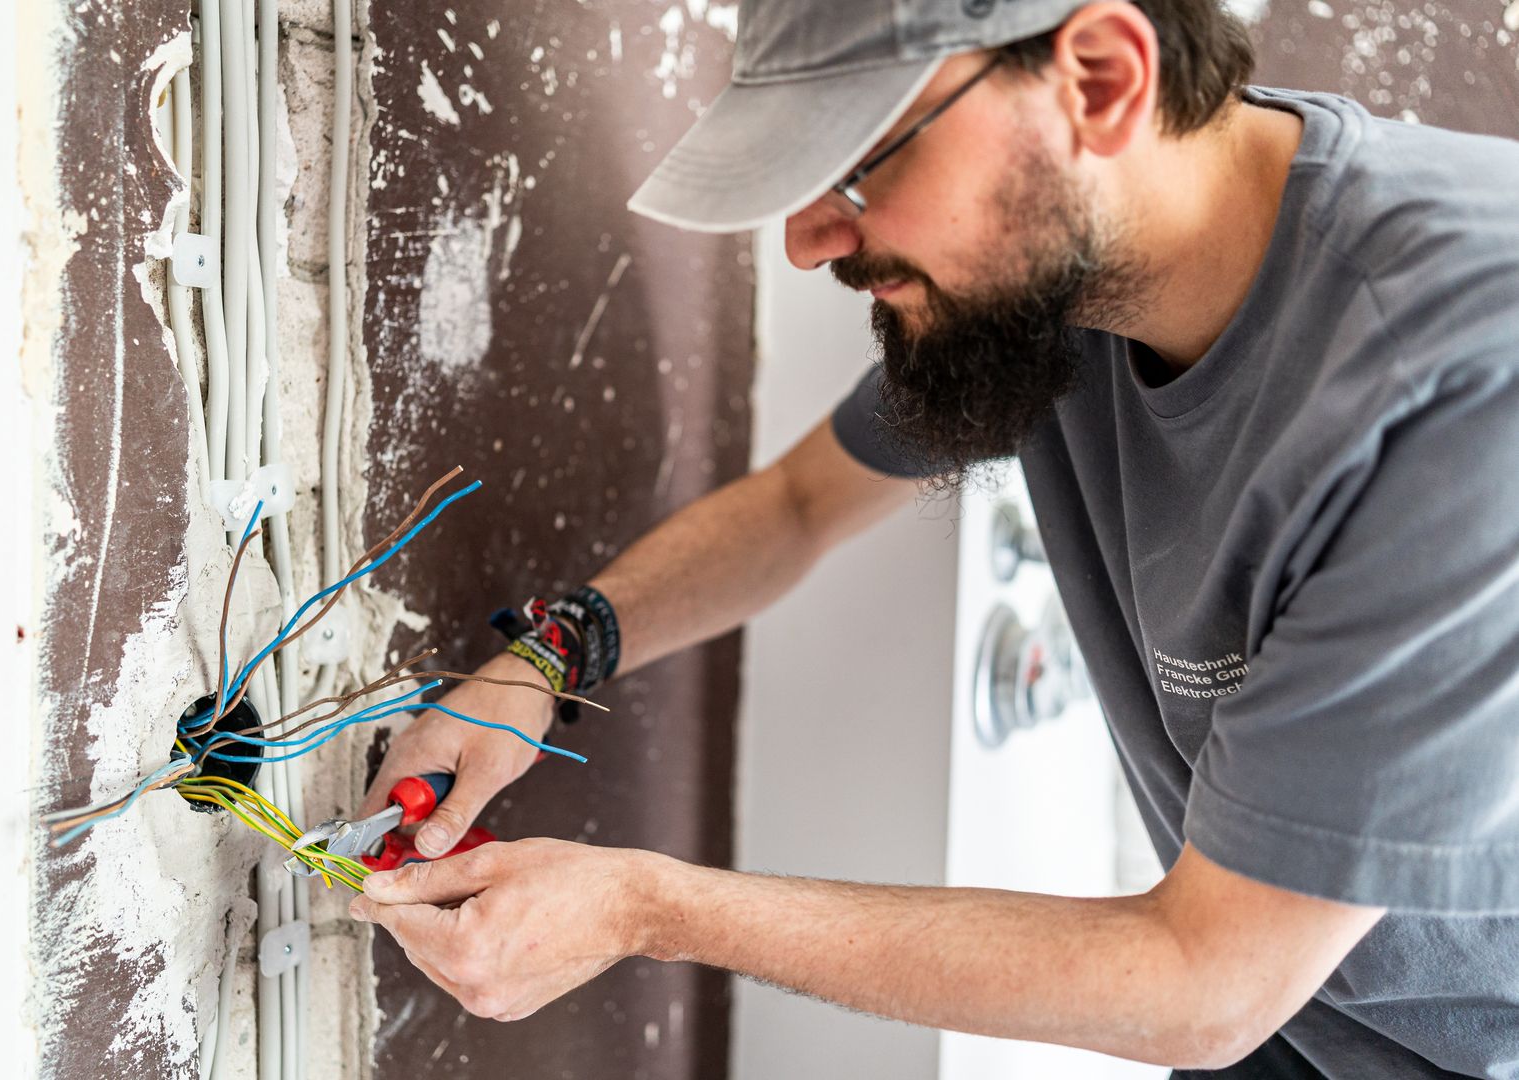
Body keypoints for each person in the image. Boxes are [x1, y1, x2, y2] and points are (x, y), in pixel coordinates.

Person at [349, 0, 1519, 1074]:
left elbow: (1207, 980)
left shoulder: (1461, 369)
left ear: (1101, 80)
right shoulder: (1061, 282)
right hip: (1300, 1034)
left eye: (861, 166)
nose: (811, 241)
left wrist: (647, 908)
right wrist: (544, 662)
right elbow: (801, 504)